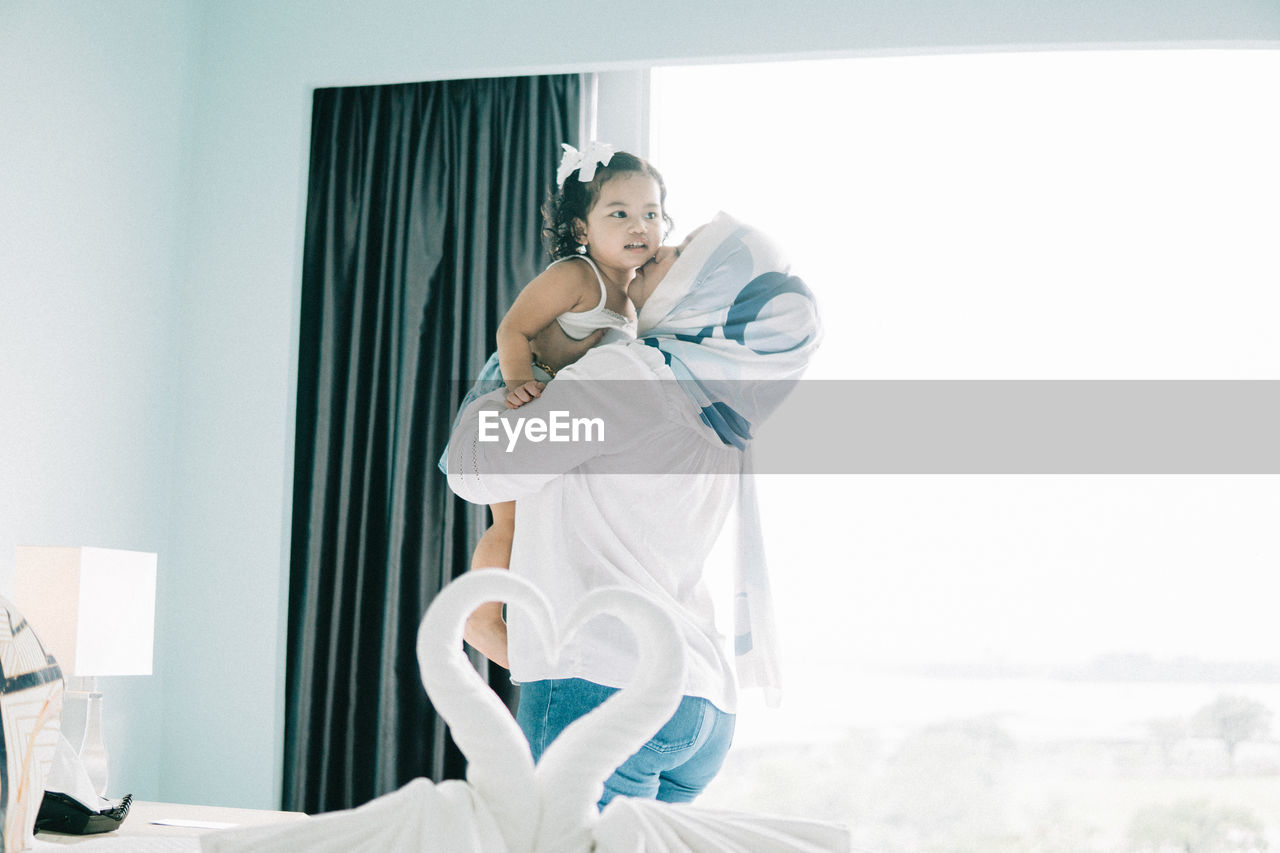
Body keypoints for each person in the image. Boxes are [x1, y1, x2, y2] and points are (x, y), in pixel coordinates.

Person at [446, 211, 822, 807]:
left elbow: (477, 467)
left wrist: (521, 369)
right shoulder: (721, 414)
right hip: (701, 702)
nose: (655, 249)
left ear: (702, 290)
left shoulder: (633, 377)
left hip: (606, 686)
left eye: (680, 252)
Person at [439, 142, 676, 668]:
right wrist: (518, 385)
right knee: (511, 522)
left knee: (545, 523)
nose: (639, 225)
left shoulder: (634, 291)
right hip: (517, 393)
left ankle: (551, 631)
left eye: (651, 214)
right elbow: (513, 328)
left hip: (558, 411)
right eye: (619, 214)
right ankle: (480, 619)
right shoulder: (576, 276)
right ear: (581, 231)